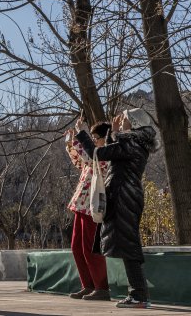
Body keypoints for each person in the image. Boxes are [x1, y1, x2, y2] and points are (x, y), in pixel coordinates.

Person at [75, 108, 156, 309]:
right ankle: (137, 294)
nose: (122, 120)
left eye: (126, 118)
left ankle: (138, 295)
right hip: (126, 196)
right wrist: (114, 134)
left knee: (129, 247)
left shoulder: (130, 143)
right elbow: (113, 156)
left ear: (134, 123)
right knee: (128, 246)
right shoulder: (133, 143)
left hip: (124, 198)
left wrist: (82, 132)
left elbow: (97, 153)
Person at [64, 122, 111, 301]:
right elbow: (81, 161)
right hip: (81, 204)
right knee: (77, 247)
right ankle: (88, 285)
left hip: (93, 205)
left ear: (104, 139)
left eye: (95, 138)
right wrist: (71, 145)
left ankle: (102, 287)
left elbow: (91, 159)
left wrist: (79, 137)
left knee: (91, 247)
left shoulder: (108, 153)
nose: (93, 141)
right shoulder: (94, 153)